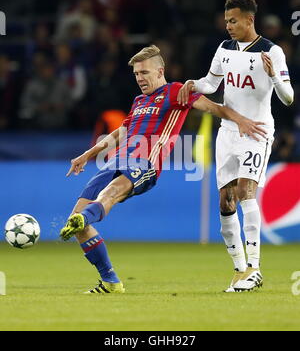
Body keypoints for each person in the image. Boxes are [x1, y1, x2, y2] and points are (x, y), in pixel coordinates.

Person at [60, 44, 266, 294]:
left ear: (160, 71)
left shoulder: (176, 91)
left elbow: (215, 108)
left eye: (144, 73)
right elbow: (122, 131)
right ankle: (110, 281)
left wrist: (242, 120)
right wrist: (88, 154)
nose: (140, 79)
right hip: (114, 161)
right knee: (77, 223)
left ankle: (88, 217)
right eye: (136, 74)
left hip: (144, 163)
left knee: (110, 194)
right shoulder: (139, 101)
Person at [177, 0, 294, 292]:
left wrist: (274, 77)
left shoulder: (272, 51)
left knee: (245, 191)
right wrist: (191, 85)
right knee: (225, 201)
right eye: (226, 20)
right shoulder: (224, 48)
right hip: (227, 131)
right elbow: (211, 84)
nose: (228, 25)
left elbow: (288, 97)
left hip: (256, 131)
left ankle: (255, 267)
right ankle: (240, 271)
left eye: (233, 20)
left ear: (249, 20)